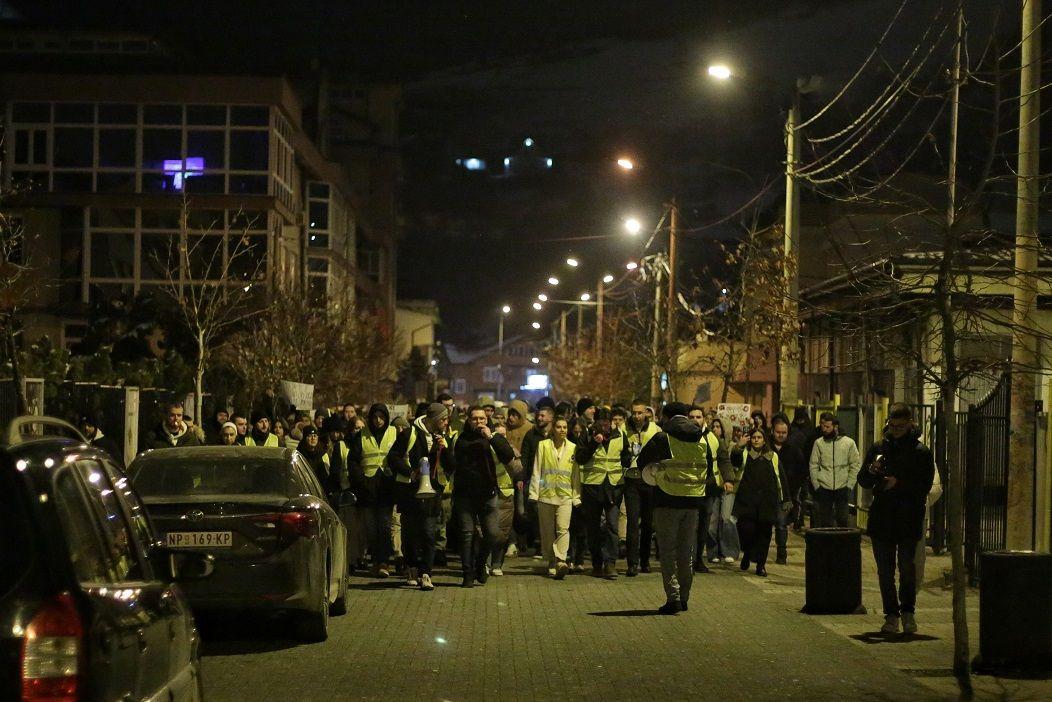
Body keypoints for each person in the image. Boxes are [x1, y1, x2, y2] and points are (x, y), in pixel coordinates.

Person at [858, 404, 935, 635]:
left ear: (911, 423)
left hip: (908, 518)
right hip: (882, 518)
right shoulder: (879, 447)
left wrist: (898, 483)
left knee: (907, 568)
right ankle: (891, 615)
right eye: (893, 426)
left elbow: (925, 486)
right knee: (885, 571)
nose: (897, 430)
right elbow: (862, 480)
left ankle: (908, 612)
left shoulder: (921, 452)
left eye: (901, 426)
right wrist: (872, 471)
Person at [637, 402, 715, 614]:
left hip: (667, 500)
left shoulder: (663, 438)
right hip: (692, 503)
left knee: (668, 553)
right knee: (686, 552)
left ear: (666, 417)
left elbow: (641, 461)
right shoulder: (702, 438)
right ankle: (685, 597)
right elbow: (707, 468)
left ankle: (673, 598)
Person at [449, 406, 521, 587]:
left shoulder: (493, 438)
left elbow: (507, 455)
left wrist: (491, 437)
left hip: (488, 494)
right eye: (475, 419)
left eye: (482, 419)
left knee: (492, 534)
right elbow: (454, 461)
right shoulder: (461, 438)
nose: (479, 422)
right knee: (466, 534)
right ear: (469, 420)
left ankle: (481, 564)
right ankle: (467, 574)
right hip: (465, 495)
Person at [387, 403, 453, 591]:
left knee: (429, 533)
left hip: (432, 494)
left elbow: (451, 465)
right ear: (432, 419)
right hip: (409, 493)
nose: (445, 422)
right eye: (443, 419)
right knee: (410, 534)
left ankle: (426, 573)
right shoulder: (410, 434)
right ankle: (412, 568)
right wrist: (410, 472)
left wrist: (444, 450)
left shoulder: (443, 437)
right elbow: (393, 458)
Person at [574, 407, 630, 579]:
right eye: (602, 423)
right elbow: (580, 458)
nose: (605, 427)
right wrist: (594, 443)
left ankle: (610, 563)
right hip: (593, 486)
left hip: (613, 487)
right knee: (593, 528)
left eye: (608, 423)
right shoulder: (587, 435)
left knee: (613, 525)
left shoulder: (620, 435)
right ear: (596, 423)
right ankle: (597, 563)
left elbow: (626, 458)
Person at [731, 427, 791, 577]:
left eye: (759, 437)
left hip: (767, 502)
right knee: (746, 531)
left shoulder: (772, 456)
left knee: (764, 534)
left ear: (764, 440)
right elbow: (735, 462)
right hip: (747, 501)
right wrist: (739, 446)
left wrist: (786, 500)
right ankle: (747, 553)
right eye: (754, 437)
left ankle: (760, 565)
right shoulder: (745, 454)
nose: (756, 440)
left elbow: (780, 478)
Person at [347, 403, 397, 578]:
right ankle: (376, 561)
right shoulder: (361, 436)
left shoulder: (394, 433)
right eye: (375, 417)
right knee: (370, 529)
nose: (378, 421)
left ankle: (384, 561)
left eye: (381, 417)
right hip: (367, 489)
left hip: (386, 488)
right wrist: (361, 481)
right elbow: (353, 462)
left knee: (384, 527)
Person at [528, 416, 579, 580]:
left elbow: (575, 475)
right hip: (546, 495)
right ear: (553, 429)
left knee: (563, 529)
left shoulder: (573, 448)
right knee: (547, 531)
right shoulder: (543, 445)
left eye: (565, 427)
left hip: (565, 496)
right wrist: (534, 493)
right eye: (559, 427)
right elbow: (537, 470)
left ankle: (561, 561)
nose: (562, 430)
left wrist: (576, 496)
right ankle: (551, 561)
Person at [624, 399, 660, 576]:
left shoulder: (655, 429)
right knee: (632, 523)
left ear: (646, 412)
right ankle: (632, 563)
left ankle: (645, 560)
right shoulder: (625, 429)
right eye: (634, 413)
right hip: (632, 480)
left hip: (650, 480)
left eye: (640, 413)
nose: (637, 416)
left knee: (647, 523)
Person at [687, 406, 725, 574]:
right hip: (690, 488)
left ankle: (698, 560)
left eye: (698, 417)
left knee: (704, 526)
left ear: (704, 419)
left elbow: (723, 458)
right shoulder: (683, 437)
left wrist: (728, 479)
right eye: (692, 417)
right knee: (691, 526)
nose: (695, 420)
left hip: (709, 488)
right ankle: (689, 560)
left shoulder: (713, 438)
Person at [809, 412, 861, 527]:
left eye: (827, 427)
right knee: (825, 521)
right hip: (824, 487)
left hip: (842, 487)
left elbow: (855, 464)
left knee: (842, 519)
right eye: (822, 426)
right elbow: (813, 465)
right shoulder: (818, 443)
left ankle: (841, 543)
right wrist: (817, 485)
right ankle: (828, 544)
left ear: (835, 427)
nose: (824, 429)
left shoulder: (848, 443)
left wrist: (850, 485)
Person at [770, 413, 806, 564]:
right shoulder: (766, 447)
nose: (781, 435)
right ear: (772, 431)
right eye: (778, 432)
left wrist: (793, 488)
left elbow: (802, 471)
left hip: (786, 494)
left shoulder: (793, 449)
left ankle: (781, 553)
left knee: (781, 524)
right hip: (767, 493)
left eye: (784, 433)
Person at [787, 407, 817, 529]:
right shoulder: (793, 429)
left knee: (802, 495)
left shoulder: (809, 430)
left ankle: (799, 518)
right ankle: (796, 518)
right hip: (794, 466)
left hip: (806, 466)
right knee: (797, 495)